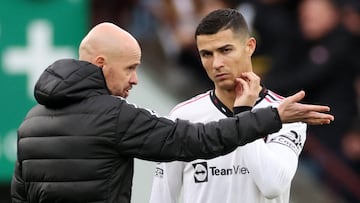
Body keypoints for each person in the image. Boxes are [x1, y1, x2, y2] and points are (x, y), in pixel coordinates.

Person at [10, 22, 333, 203]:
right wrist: (266, 115)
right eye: (130, 68)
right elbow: (193, 140)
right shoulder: (115, 115)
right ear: (101, 65)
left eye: (224, 50)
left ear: (248, 47)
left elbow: (20, 198)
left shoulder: (31, 122)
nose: (135, 79)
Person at [150, 8, 313, 203]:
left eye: (225, 50)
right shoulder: (182, 116)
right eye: (206, 54)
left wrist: (243, 114)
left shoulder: (286, 113)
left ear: (250, 46)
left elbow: (273, 185)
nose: (217, 63)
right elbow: (161, 197)